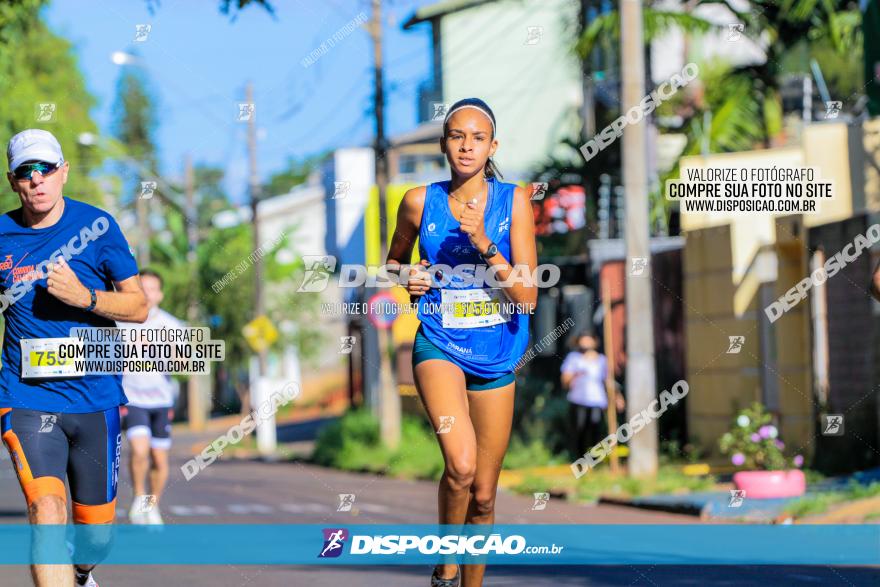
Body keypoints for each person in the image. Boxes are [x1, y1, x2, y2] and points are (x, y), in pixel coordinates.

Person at [386, 98, 537, 587]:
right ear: (445, 144)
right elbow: (393, 262)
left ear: (492, 146)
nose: (466, 145)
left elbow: (527, 295)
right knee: (461, 467)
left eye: (477, 137)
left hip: (498, 352)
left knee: (486, 495)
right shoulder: (417, 200)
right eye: (456, 136)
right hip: (439, 344)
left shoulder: (513, 201)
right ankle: (446, 567)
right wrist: (408, 276)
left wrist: (485, 246)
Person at [0, 129, 148, 587]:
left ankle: (81, 572)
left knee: (96, 537)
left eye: (46, 168)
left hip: (95, 397)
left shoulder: (98, 227)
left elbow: (139, 307)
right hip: (25, 395)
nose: (37, 179)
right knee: (45, 509)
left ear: (64, 173)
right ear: (13, 181)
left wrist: (85, 297)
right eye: (26, 172)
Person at [118, 269, 184, 525]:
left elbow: (183, 363)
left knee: (159, 458)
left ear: (160, 294)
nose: (146, 293)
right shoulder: (121, 322)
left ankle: (151, 504)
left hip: (161, 400)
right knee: (139, 450)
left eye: (151, 289)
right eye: (141, 287)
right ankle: (138, 497)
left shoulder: (171, 325)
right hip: (133, 398)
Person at [561, 333, 623, 458]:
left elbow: (608, 381)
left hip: (597, 401)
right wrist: (574, 375)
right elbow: (565, 380)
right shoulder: (573, 358)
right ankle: (579, 458)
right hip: (578, 400)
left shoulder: (602, 360)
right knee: (580, 430)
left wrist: (617, 397)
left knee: (595, 429)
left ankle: (594, 459)